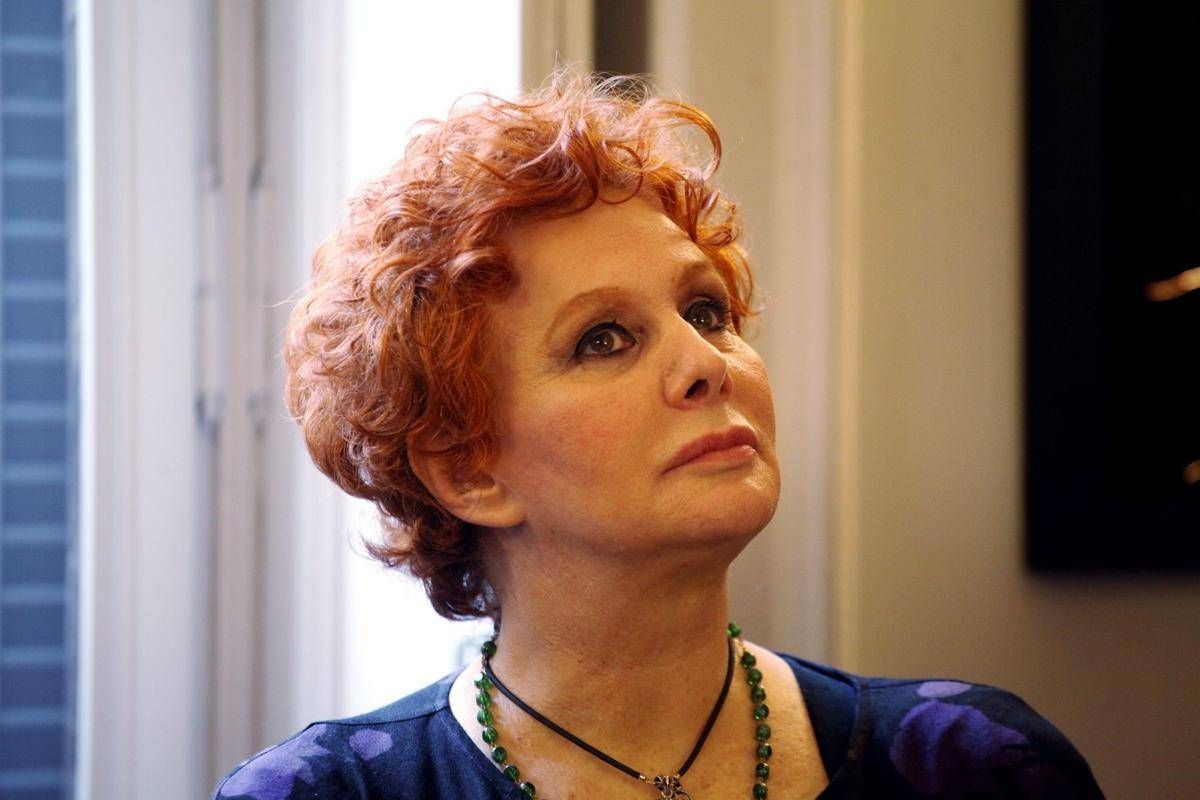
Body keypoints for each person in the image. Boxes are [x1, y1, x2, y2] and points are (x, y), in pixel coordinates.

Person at [212, 73, 1105, 800]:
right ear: (468, 470)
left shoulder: (979, 767)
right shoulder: (319, 794)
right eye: (604, 339)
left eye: (706, 311)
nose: (706, 363)